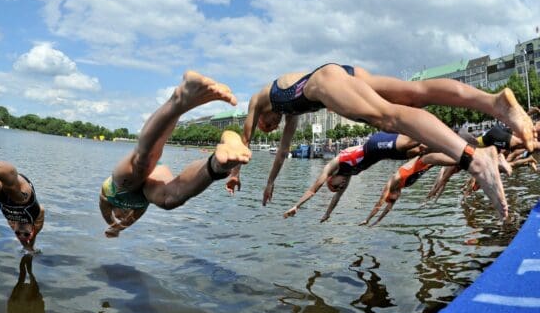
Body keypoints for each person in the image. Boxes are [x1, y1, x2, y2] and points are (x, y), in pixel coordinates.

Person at [232, 63, 536, 220]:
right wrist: (270, 182)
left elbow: (245, 141)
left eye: (267, 126)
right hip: (341, 73)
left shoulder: (259, 99)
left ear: (260, 117)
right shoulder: (289, 113)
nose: (272, 127)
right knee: (414, 93)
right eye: (271, 127)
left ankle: (474, 158)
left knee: (389, 117)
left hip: (326, 80)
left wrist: (234, 172)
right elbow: (283, 151)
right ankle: (494, 103)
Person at [98, 71, 252, 237]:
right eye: (123, 218)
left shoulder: (107, 199)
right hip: (147, 189)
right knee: (170, 200)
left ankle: (179, 101)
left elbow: (107, 215)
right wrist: (117, 229)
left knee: (142, 161)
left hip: (123, 182)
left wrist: (111, 224)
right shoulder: (138, 210)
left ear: (114, 211)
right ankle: (218, 164)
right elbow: (127, 222)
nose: (122, 217)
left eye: (119, 216)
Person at [282, 132, 424, 222]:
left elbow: (313, 189)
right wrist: (327, 214)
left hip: (375, 145)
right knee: (421, 150)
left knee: (414, 141)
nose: (341, 186)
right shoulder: (348, 175)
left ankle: (434, 131)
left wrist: (296, 205)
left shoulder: (335, 164)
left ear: (331, 179)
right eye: (340, 187)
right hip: (384, 154)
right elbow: (337, 198)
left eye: (337, 186)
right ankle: (442, 143)